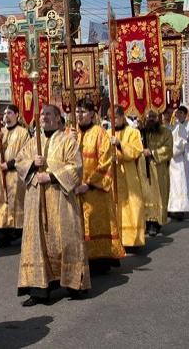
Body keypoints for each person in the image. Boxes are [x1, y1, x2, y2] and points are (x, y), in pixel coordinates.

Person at [15, 104, 90, 306]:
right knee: (37, 243)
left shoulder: (68, 141)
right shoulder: (33, 142)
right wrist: (32, 163)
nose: (44, 118)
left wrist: (50, 176)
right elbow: (19, 162)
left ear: (58, 118)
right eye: (42, 115)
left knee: (66, 240)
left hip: (60, 200)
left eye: (49, 114)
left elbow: (76, 168)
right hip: (36, 200)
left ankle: (74, 283)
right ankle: (39, 290)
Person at [72, 100, 125, 272]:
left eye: (83, 111)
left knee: (96, 224)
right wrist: (70, 142)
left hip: (95, 191)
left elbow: (106, 163)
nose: (79, 115)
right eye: (77, 111)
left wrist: (89, 184)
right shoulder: (71, 134)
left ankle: (100, 261)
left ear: (92, 114)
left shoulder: (100, 133)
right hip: (75, 190)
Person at [0, 105, 31, 247]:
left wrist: (10, 164)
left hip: (14, 174)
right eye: (5, 113)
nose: (6, 115)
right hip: (0, 175)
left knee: (15, 203)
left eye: (10, 113)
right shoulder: (0, 132)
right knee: (0, 203)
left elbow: (25, 153)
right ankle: (2, 237)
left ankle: (18, 234)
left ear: (17, 115)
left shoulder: (23, 132)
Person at [108, 106, 147, 248]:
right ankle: (117, 237)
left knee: (133, 206)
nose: (113, 122)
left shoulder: (133, 132)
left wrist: (120, 145)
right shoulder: (107, 133)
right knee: (115, 207)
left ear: (122, 117)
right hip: (113, 175)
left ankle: (133, 239)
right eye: (110, 119)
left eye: (115, 118)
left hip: (129, 175)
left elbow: (136, 151)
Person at [139, 109, 173, 236]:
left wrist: (152, 153)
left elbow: (169, 149)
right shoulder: (142, 132)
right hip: (143, 169)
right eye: (148, 116)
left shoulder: (166, 132)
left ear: (158, 117)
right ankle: (147, 222)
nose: (151, 119)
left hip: (158, 170)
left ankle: (156, 223)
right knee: (145, 196)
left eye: (153, 116)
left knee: (158, 196)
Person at [168, 106, 189, 218]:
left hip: (186, 153)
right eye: (177, 113)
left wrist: (183, 130)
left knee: (187, 178)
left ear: (185, 115)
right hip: (176, 156)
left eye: (181, 113)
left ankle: (188, 201)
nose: (178, 115)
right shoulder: (174, 125)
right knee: (177, 180)